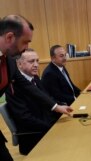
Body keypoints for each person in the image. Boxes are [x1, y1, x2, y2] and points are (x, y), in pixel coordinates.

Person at [0, 14, 72, 160]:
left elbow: (28, 87)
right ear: (9, 37)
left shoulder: (10, 62)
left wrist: (56, 106)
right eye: (25, 42)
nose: (26, 47)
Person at [5, 49, 58, 155]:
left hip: (46, 126)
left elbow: (47, 99)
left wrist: (60, 107)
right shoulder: (13, 87)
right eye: (31, 61)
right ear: (19, 64)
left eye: (37, 61)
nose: (36, 65)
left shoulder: (35, 78)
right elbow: (25, 118)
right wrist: (51, 127)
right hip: (33, 137)